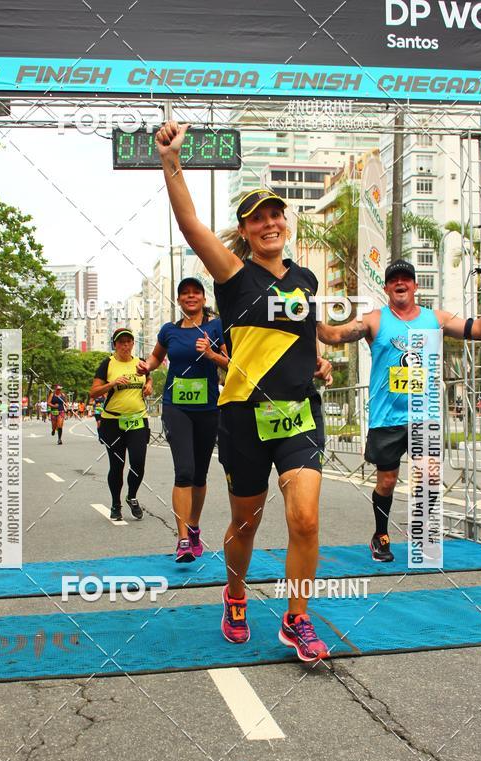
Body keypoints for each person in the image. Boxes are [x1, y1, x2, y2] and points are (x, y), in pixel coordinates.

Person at [156, 121, 333, 663]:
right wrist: (171, 160)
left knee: (304, 518)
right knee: (245, 522)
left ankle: (296, 618)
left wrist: (319, 359)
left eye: (276, 214)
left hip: (298, 413)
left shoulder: (306, 280)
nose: (270, 222)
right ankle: (234, 594)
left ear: (286, 222)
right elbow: (190, 225)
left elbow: (303, 334)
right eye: (258, 217)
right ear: (246, 230)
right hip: (241, 414)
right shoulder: (233, 275)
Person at [318, 258, 481, 562]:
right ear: (386, 287)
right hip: (387, 417)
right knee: (388, 481)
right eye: (394, 279)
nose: (400, 283)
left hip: (424, 416)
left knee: (428, 479)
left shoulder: (436, 319)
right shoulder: (375, 319)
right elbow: (333, 335)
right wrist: (307, 315)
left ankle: (425, 542)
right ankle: (380, 535)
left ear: (416, 286)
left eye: (406, 278)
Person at [137, 276, 229, 562]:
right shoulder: (168, 331)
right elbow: (156, 358)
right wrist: (146, 366)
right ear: (178, 300)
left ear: (203, 298)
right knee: (184, 471)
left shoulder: (216, 327)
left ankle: (193, 526)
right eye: (185, 293)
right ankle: (182, 540)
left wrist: (211, 354)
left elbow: (231, 363)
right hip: (175, 406)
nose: (190, 297)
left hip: (207, 408)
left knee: (199, 475)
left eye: (196, 293)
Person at [90, 326, 153, 521]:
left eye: (128, 342)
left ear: (133, 343)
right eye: (121, 342)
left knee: (138, 463)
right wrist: (112, 383)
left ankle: (131, 496)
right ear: (115, 345)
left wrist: (149, 386)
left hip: (137, 420)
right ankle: (115, 503)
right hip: (112, 422)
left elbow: (148, 379)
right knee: (117, 465)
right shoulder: (107, 364)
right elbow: (94, 392)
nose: (125, 345)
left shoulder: (140, 363)